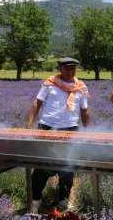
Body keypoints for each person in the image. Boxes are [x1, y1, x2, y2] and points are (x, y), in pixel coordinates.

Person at [26, 57, 90, 214]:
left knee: (67, 168)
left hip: (70, 131)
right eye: (67, 68)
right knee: (42, 166)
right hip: (47, 128)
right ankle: (35, 200)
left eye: (73, 68)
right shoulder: (50, 84)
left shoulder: (80, 87)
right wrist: (28, 126)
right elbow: (37, 103)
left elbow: (84, 111)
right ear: (60, 69)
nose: (70, 71)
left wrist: (89, 131)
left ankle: (63, 201)